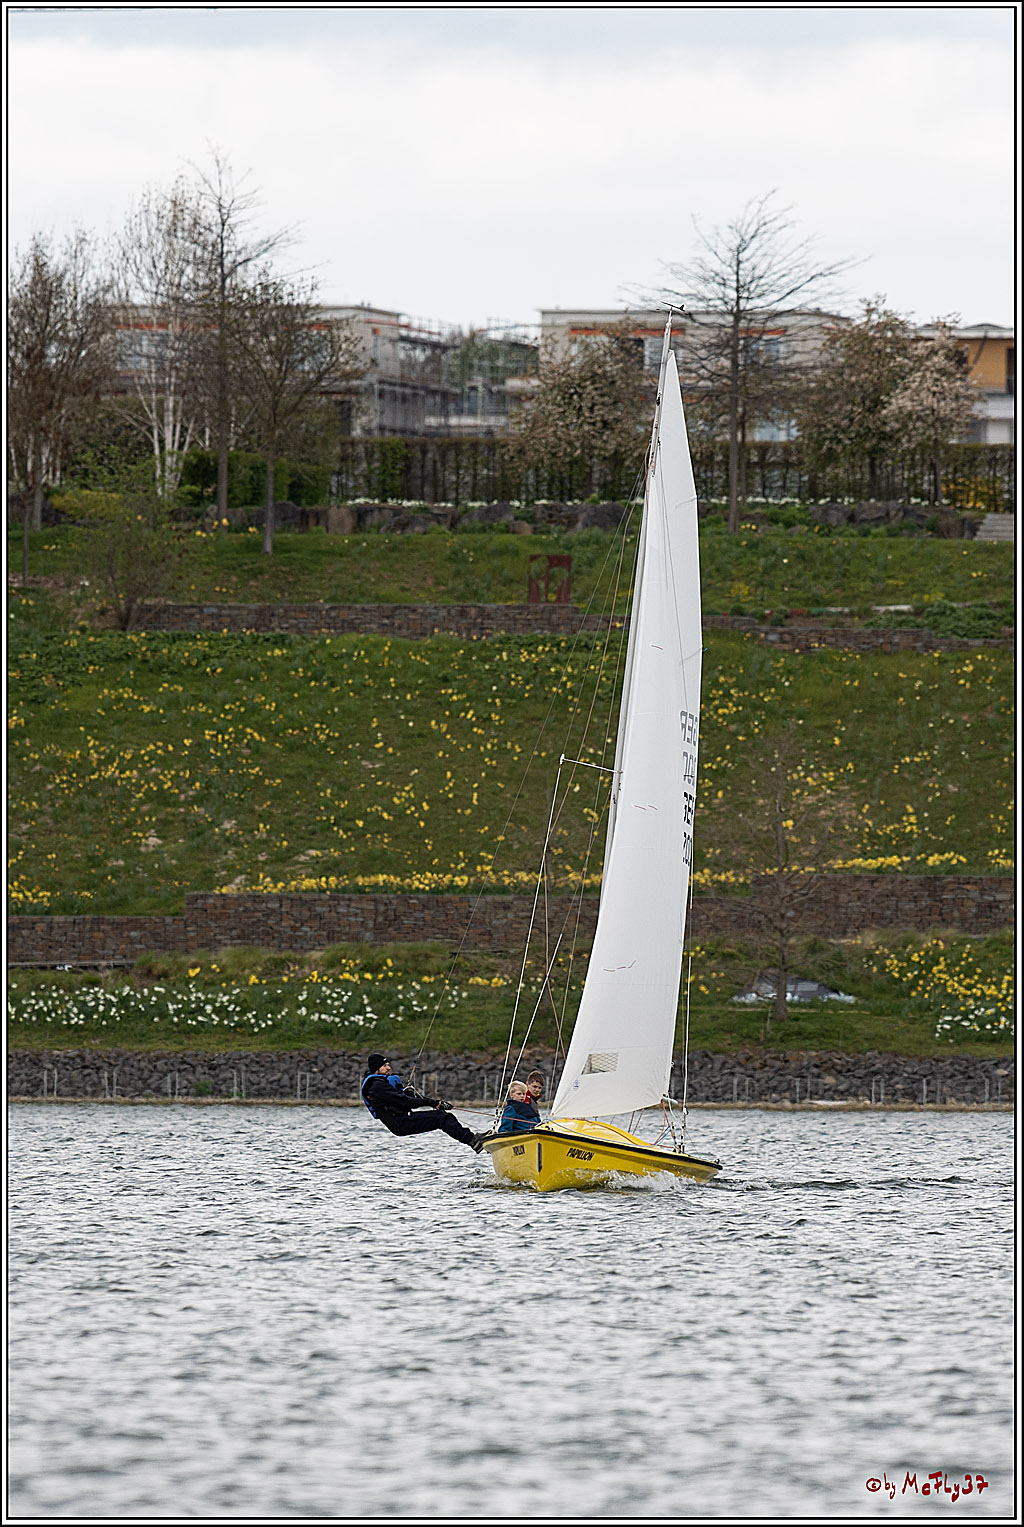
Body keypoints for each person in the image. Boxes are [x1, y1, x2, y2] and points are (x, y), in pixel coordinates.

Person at [360, 1054, 487, 1151]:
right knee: (441, 1118)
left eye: (388, 1064)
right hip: (400, 1124)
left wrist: (438, 1104)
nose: (389, 1068)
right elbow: (404, 1102)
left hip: (403, 1119)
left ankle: (472, 1139)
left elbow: (408, 1096)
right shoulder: (377, 1087)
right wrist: (433, 1103)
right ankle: (473, 1141)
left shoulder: (381, 1083)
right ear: (376, 1070)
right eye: (384, 1066)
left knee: (443, 1115)